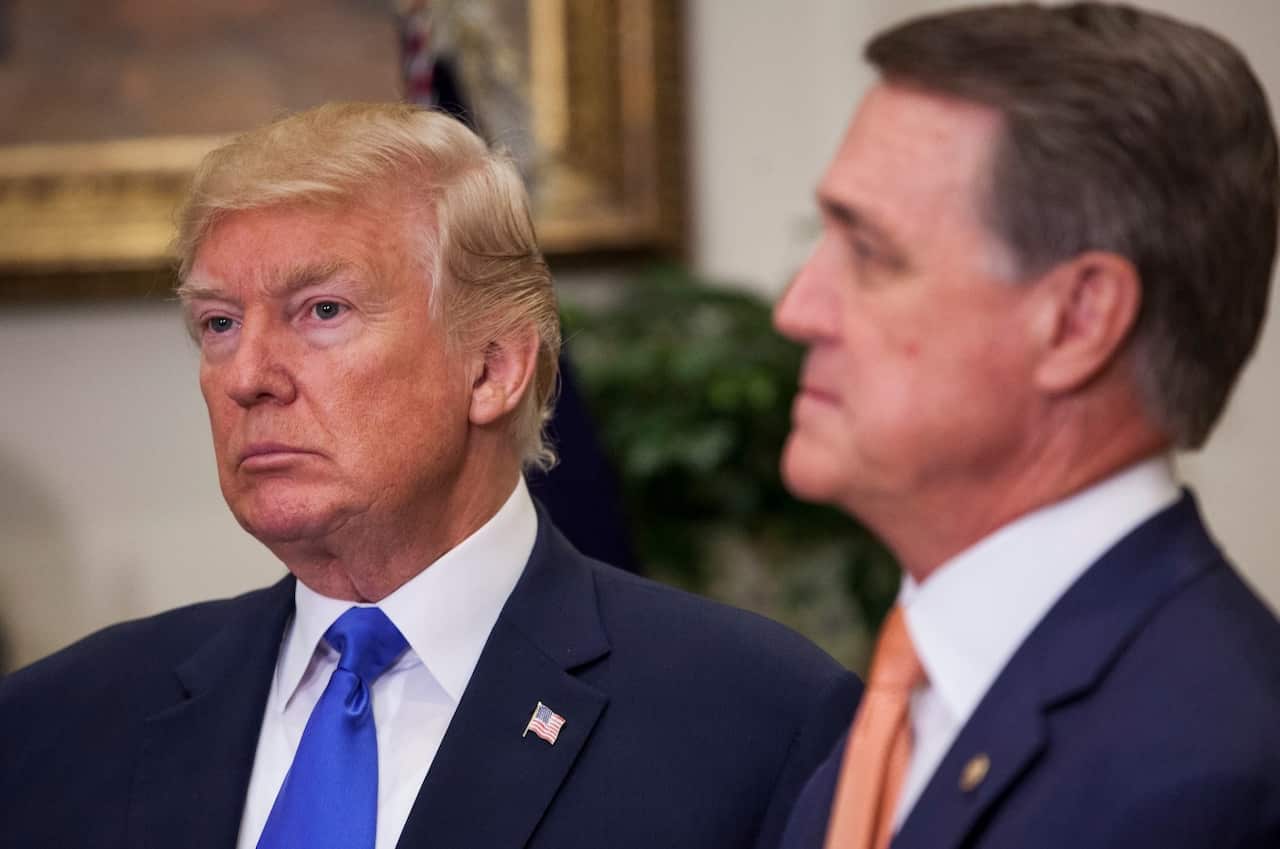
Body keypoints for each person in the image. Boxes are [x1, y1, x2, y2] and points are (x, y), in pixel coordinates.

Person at [0, 103, 860, 849]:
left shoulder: (756, 722)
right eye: (219, 323)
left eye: (322, 310)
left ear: (492, 369)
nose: (246, 374)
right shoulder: (59, 722)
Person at [773, 4, 1280, 849]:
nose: (797, 309)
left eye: (870, 254)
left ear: (1079, 320)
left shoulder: (1218, 779)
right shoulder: (898, 707)